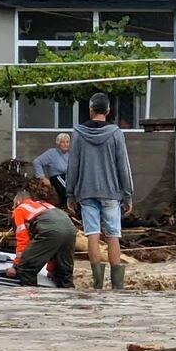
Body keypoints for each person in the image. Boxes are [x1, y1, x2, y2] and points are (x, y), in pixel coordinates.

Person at [65, 93, 134, 290]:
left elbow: (73, 165)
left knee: (92, 235)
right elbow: (123, 165)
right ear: (108, 111)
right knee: (113, 235)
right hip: (111, 192)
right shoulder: (116, 133)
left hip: (86, 192)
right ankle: (117, 286)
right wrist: (127, 194)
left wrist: (70, 193)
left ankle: (97, 285)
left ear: (91, 110)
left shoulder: (78, 132)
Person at [2, 191, 76, 288]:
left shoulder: (19, 210)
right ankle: (68, 299)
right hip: (70, 229)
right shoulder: (44, 205)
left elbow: (23, 240)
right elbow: (51, 248)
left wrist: (16, 266)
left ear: (19, 201)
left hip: (51, 230)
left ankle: (31, 300)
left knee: (26, 268)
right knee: (64, 273)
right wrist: (51, 269)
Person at [32, 133, 71, 207]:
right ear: (58, 143)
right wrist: (42, 177)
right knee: (68, 191)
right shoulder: (52, 153)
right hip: (57, 177)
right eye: (63, 142)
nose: (65, 144)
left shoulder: (70, 154)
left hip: (68, 177)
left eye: (67, 142)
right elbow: (37, 162)